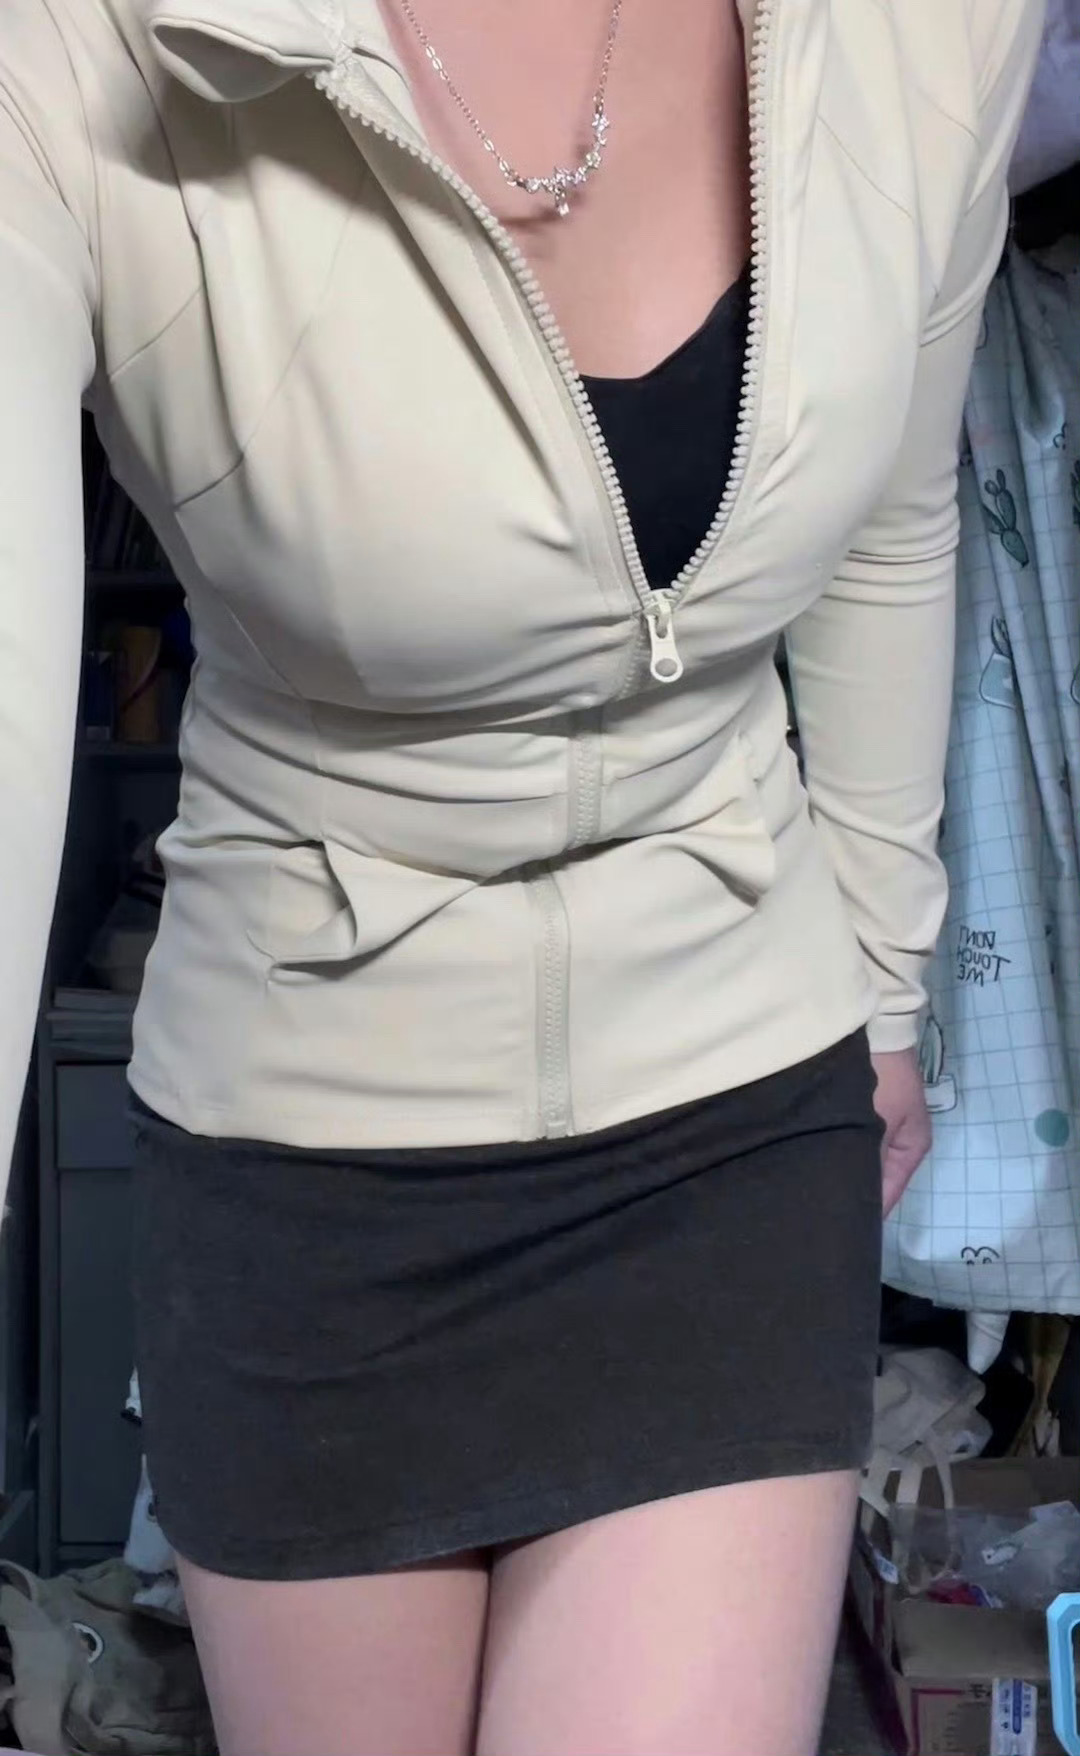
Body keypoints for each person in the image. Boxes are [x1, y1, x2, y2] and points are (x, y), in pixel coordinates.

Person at [0, 1, 1043, 1751]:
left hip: (730, 1085)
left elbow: (887, 517)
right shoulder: (75, 42)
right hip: (306, 1135)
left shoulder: (932, 27)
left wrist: (880, 980)